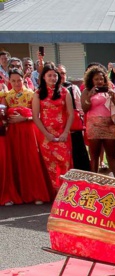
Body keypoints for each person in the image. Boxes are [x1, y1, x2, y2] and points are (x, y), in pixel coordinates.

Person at [4, 68, 52, 203]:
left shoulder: (32, 94)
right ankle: (16, 194)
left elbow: (39, 114)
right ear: (9, 81)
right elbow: (3, 117)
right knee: (15, 161)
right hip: (13, 134)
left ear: (24, 79)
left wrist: (24, 118)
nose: (16, 83)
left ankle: (36, 193)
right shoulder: (6, 96)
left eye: (19, 80)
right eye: (13, 81)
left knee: (32, 160)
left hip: (30, 132)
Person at [32, 62, 73, 190]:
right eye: (49, 76)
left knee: (65, 162)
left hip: (62, 133)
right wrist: (46, 134)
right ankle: (55, 193)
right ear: (43, 77)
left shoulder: (65, 92)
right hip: (46, 135)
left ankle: (66, 192)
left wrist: (65, 132)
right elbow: (35, 116)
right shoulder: (38, 94)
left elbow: (71, 114)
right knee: (50, 165)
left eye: (55, 76)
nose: (52, 78)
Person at [81, 66, 115, 177]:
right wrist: (89, 96)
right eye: (96, 79)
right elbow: (84, 109)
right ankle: (94, 180)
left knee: (111, 154)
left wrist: (113, 97)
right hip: (94, 125)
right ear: (91, 80)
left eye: (101, 79)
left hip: (109, 125)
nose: (99, 81)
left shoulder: (109, 90)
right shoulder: (86, 91)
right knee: (94, 155)